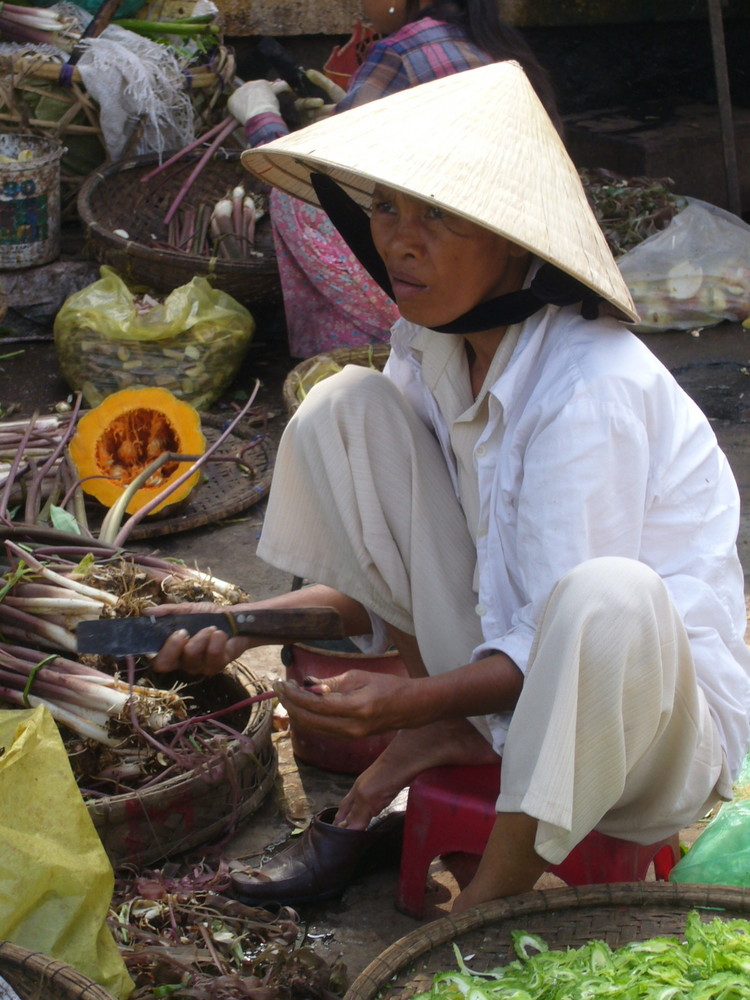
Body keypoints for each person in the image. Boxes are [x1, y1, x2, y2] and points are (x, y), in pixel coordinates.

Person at [152, 62, 750, 913]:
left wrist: (408, 695)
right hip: (514, 662)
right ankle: (449, 726)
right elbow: (396, 568)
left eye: (439, 215)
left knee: (606, 596)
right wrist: (238, 626)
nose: (400, 239)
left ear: (510, 237)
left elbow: (561, 646)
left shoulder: (590, 388)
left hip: (644, 736)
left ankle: (488, 906)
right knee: (343, 407)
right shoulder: (431, 348)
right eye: (389, 207)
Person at [227, 0, 560, 359]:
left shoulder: (399, 50)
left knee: (294, 197)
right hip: (517, 269)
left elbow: (327, 169)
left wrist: (262, 119)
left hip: (467, 265)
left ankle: (359, 335)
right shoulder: (496, 42)